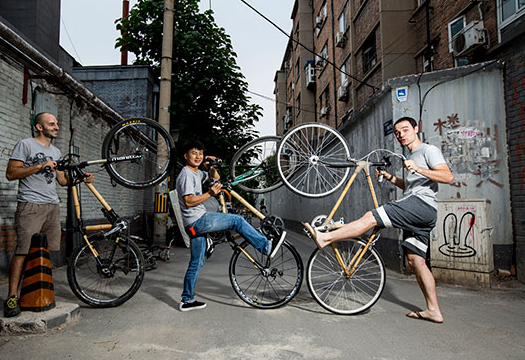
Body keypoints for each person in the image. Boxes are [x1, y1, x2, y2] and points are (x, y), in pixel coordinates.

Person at [303, 117, 453, 323]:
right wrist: (391, 177)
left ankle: (325, 238)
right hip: (419, 210)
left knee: (370, 217)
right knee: (416, 261)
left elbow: (447, 177)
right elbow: (411, 187)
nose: (401, 135)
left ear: (416, 129)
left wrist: (417, 168)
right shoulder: (410, 156)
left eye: (405, 130)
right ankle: (433, 310)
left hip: (422, 206)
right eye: (397, 132)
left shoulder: (428, 150)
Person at [176, 139, 286, 312]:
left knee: (196, 262)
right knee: (237, 220)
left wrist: (210, 165)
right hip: (197, 220)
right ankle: (266, 246)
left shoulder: (197, 173)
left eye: (200, 153)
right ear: (185, 155)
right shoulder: (186, 174)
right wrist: (210, 193)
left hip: (194, 224)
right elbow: (189, 201)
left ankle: (187, 300)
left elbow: (216, 178)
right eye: (193, 153)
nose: (197, 156)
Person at [4, 112, 93, 317]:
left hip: (52, 206)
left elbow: (62, 181)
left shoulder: (56, 151)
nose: (57, 127)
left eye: (57, 123)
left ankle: (39, 294)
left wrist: (81, 180)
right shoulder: (25, 145)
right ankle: (11, 297)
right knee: (22, 251)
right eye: (51, 124)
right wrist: (39, 166)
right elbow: (11, 174)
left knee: (46, 252)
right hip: (30, 206)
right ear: (39, 127)